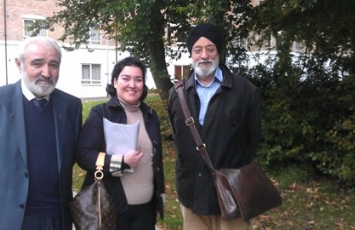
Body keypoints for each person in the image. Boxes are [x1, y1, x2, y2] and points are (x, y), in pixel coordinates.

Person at [0, 36, 83, 230]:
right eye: (37, 63)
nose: (46, 72)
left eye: (53, 64)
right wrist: (2, 189)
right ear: (19, 64)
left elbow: (74, 154)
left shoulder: (71, 106)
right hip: (7, 218)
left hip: (57, 218)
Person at [167, 23, 262, 229]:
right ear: (191, 54)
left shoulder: (245, 92)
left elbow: (253, 140)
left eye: (210, 49)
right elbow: (178, 139)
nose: (204, 55)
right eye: (197, 49)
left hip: (232, 195)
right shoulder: (177, 94)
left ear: (218, 51)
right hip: (191, 195)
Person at [75, 56, 165, 230]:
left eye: (138, 79)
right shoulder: (101, 113)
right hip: (111, 208)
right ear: (115, 81)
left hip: (146, 209)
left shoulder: (150, 115)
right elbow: (83, 155)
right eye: (126, 78)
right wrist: (120, 162)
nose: (132, 84)